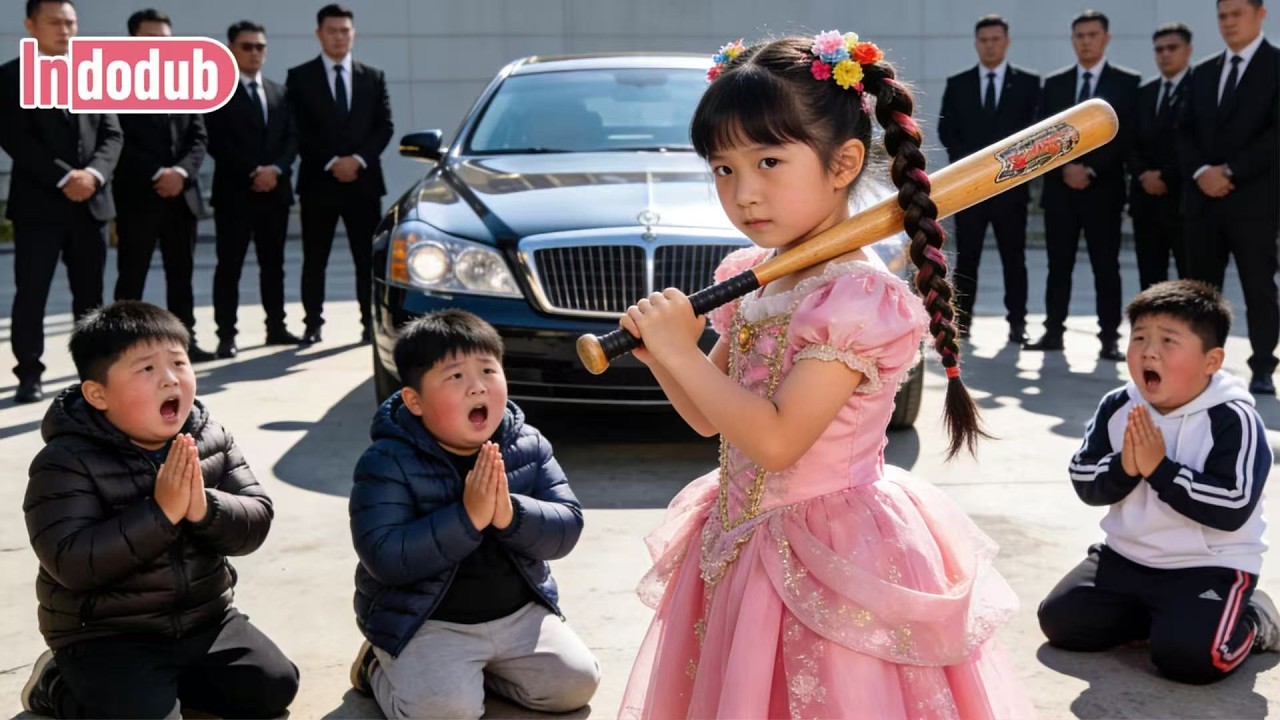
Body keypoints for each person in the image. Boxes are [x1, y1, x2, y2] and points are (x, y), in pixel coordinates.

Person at [615, 33, 1031, 718]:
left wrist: (683, 352)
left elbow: (778, 443)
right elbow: (706, 418)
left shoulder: (855, 298)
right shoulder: (757, 278)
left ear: (843, 163)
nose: (744, 193)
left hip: (830, 552)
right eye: (723, 169)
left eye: (769, 161)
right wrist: (666, 356)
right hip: (740, 541)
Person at [18, 300, 299, 718]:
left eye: (179, 363)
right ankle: (57, 683)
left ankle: (163, 688)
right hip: (106, 635)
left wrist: (205, 508)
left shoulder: (210, 436)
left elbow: (256, 519)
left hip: (204, 619)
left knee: (275, 686)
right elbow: (71, 562)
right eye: (146, 369)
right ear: (98, 394)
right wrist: (161, 513)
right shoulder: (66, 459)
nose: (170, 379)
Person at [346, 310, 601, 720]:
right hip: (428, 622)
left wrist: (508, 513)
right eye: (455, 377)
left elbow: (567, 526)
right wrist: (467, 518)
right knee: (446, 713)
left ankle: (473, 673)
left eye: (488, 370)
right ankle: (378, 666)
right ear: (414, 401)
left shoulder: (527, 444)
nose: (477, 386)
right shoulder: (387, 460)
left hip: (518, 616)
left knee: (574, 685)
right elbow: (385, 556)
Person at [1038, 280, 1278, 684]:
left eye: (1169, 341)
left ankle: (1254, 616)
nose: (1149, 351)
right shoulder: (1118, 404)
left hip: (1207, 567)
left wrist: (1160, 469)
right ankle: (1162, 616)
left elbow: (1232, 506)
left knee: (1193, 660)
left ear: (1211, 361)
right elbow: (1084, 478)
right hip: (1126, 558)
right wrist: (1125, 469)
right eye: (1140, 338)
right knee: (1062, 622)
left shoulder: (1234, 418)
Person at [0, 0, 122, 403]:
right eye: (55, 22)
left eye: (70, 22)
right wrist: (66, 176)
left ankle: (92, 374)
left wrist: (94, 174)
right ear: (30, 25)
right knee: (31, 293)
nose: (65, 30)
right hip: (40, 206)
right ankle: (29, 373)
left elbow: (112, 134)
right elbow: (16, 139)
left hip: (92, 204)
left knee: (91, 298)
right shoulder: (11, 77)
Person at [1025, 10, 1140, 361]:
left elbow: (1125, 138)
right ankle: (1053, 332)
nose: (1086, 41)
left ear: (1106, 38)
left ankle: (1109, 339)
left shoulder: (1126, 83)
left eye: (1092, 35)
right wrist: (1066, 170)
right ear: (1073, 40)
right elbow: (1042, 135)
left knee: (1106, 267)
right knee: (1058, 266)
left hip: (1103, 192)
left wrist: (1088, 169)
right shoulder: (1055, 84)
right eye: (1080, 36)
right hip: (1061, 193)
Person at [1178, 0, 1279, 396]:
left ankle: (1264, 366)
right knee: (1201, 293)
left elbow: (1274, 135)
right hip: (1204, 203)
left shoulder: (1274, 66)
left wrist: (1231, 171)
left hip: (1253, 201)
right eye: (1222, 15)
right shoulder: (1203, 72)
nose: (1229, 22)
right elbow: (1183, 131)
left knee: (1259, 287)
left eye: (1237, 14)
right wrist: (1203, 172)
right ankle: (1203, 367)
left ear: (1261, 14)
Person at [286, 3, 393, 346]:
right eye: (331, 31)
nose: (338, 37)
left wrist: (358, 159)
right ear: (319, 34)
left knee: (367, 260)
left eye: (344, 30)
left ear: (353, 33)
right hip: (319, 182)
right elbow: (296, 130)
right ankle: (312, 323)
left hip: (364, 183)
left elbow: (385, 127)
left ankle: (368, 323)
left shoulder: (373, 77)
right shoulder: (300, 77)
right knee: (315, 258)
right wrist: (333, 160)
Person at [112, 9, 215, 362]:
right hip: (139, 196)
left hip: (181, 197)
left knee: (182, 276)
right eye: (151, 39)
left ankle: (184, 342)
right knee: (131, 277)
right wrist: (158, 173)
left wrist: (181, 173)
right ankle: (121, 345)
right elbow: (116, 139)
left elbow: (199, 137)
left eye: (166, 40)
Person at [937, 14, 1039, 342]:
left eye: (996, 39)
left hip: (1012, 188)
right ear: (976, 43)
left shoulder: (1028, 83)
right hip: (972, 189)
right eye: (984, 40)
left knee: (1014, 257)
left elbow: (1033, 131)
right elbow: (947, 130)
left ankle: (1018, 323)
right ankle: (963, 323)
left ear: (1006, 42)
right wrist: (973, 168)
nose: (990, 45)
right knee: (968, 258)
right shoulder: (959, 83)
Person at [206, 20, 302, 358]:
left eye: (260, 46)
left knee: (273, 264)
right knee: (229, 267)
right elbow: (216, 142)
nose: (254, 53)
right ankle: (226, 335)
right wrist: (252, 171)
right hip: (235, 194)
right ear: (231, 49)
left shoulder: (279, 92)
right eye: (247, 46)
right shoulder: (217, 92)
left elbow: (292, 137)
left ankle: (276, 326)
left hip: (274, 193)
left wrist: (275, 169)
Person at [1129, 24, 1194, 291]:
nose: (1165, 54)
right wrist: (1143, 174)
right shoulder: (1144, 93)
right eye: (1159, 49)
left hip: (1183, 202)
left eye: (1172, 48)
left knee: (1189, 279)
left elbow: (1196, 142)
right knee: (1150, 280)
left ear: (1188, 50)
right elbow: (1130, 142)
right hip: (1146, 202)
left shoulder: (1201, 88)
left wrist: (1166, 176)